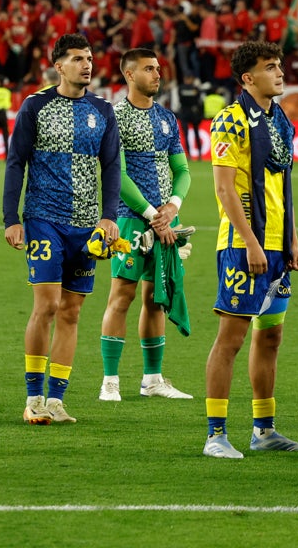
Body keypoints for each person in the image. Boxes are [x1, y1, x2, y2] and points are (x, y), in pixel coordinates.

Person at [3, 33, 122, 425]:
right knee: (48, 306)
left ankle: (56, 400)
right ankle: (33, 398)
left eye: (88, 58)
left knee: (71, 313)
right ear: (58, 66)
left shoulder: (103, 111)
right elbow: (16, 161)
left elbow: (110, 167)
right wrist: (12, 218)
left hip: (87, 226)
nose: (86, 64)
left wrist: (108, 216)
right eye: (76, 58)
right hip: (43, 219)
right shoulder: (35, 106)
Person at [203, 40, 298, 459]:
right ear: (248, 78)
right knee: (231, 338)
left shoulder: (280, 120)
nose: (280, 73)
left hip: (277, 248)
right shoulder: (230, 121)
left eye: (280, 65)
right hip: (243, 245)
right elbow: (224, 187)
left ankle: (264, 430)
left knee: (272, 337)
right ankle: (215, 434)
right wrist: (250, 241)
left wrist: (292, 240)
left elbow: (283, 185)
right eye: (270, 67)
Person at [99, 48, 193, 403]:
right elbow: (117, 174)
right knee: (121, 296)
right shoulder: (115, 117)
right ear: (129, 74)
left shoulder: (168, 118)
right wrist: (154, 215)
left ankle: (152, 379)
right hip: (129, 218)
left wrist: (172, 206)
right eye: (149, 69)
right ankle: (110, 381)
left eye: (158, 68)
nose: (157, 74)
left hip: (167, 221)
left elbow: (182, 171)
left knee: (156, 297)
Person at [175, 72, 204, 160]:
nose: (188, 80)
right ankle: (188, 154)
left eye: (189, 78)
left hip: (192, 112)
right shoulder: (184, 88)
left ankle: (199, 154)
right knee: (186, 134)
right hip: (185, 112)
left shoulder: (193, 88)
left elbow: (199, 102)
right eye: (187, 78)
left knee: (196, 133)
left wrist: (200, 115)